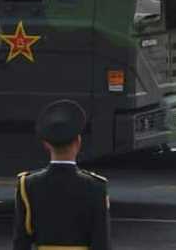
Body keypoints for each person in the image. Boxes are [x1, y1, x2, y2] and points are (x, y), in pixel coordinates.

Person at [13, 100, 111, 250]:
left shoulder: (27, 184)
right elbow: (101, 243)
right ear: (78, 142)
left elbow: (21, 241)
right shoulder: (96, 186)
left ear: (46, 144)